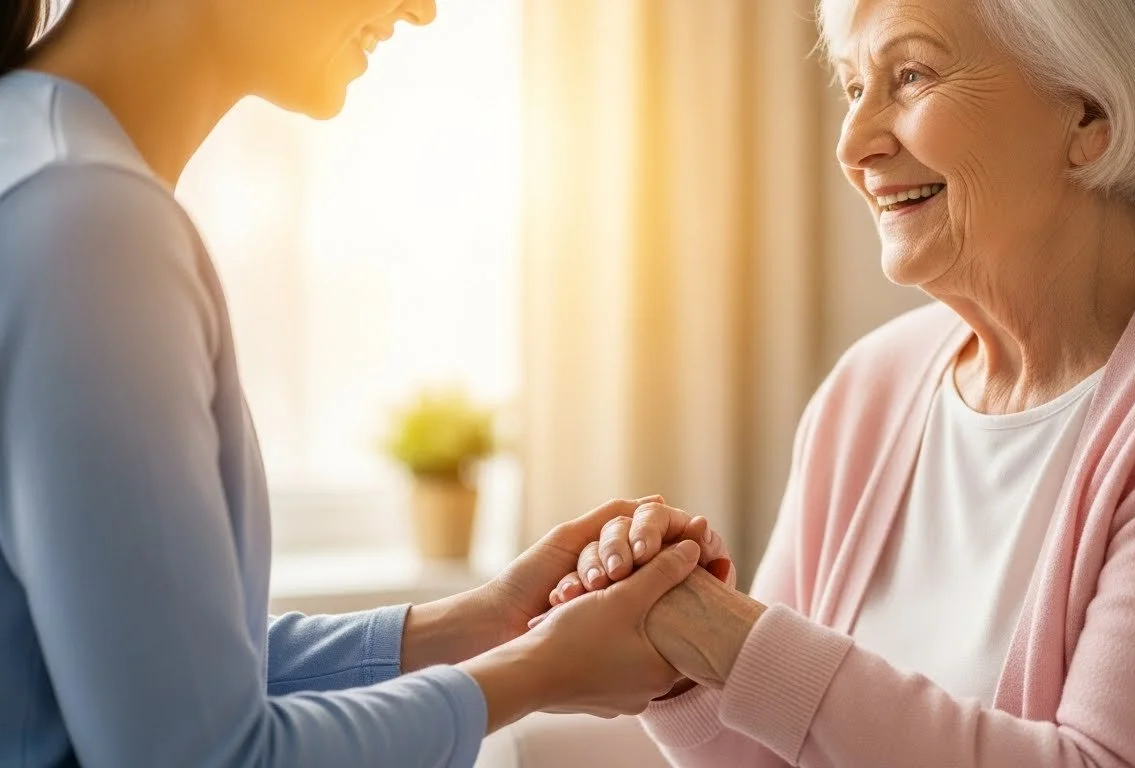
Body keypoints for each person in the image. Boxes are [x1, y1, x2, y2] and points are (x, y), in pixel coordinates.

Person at [552, 0, 1135, 765]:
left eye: (910, 76)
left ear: (1086, 114)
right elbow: (780, 752)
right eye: (852, 86)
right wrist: (687, 664)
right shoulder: (868, 388)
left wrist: (740, 642)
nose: (853, 141)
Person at [0, 1, 731, 766]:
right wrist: (541, 670)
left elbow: (149, 676)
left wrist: (488, 621)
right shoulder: (87, 223)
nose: (422, 8)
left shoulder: (44, 166)